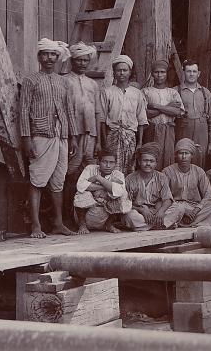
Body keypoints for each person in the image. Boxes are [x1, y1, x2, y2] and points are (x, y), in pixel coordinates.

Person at [20, 38, 78, 238]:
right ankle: (36, 225)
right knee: (37, 179)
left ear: (58, 57)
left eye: (53, 54)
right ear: (39, 57)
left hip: (61, 135)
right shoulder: (31, 80)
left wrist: (73, 137)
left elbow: (69, 110)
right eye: (45, 54)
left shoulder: (63, 82)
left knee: (58, 181)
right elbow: (23, 110)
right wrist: (26, 138)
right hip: (41, 135)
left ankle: (58, 223)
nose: (49, 58)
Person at [62, 42, 102, 225]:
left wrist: (99, 140)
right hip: (73, 135)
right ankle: (67, 216)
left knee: (91, 173)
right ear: (72, 60)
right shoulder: (65, 81)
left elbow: (97, 113)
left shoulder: (93, 84)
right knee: (70, 174)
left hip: (91, 135)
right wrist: (70, 137)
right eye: (79, 60)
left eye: (86, 60)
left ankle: (90, 218)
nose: (83, 63)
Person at [100, 55, 148, 174]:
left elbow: (141, 119)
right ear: (114, 72)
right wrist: (104, 140)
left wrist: (140, 142)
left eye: (125, 70)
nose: (121, 73)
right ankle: (111, 191)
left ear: (130, 72)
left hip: (130, 137)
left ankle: (126, 192)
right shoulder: (107, 92)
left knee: (129, 168)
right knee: (111, 168)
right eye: (118, 70)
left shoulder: (137, 94)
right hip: (112, 135)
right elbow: (102, 118)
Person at [124, 142, 186, 230]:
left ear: (156, 163)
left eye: (151, 161)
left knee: (179, 208)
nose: (148, 164)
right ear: (139, 162)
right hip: (140, 211)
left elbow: (168, 199)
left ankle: (147, 226)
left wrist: (160, 212)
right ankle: (162, 225)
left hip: (157, 210)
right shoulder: (130, 178)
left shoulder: (161, 177)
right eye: (145, 160)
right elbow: (125, 202)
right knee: (129, 215)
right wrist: (142, 210)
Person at [162, 138, 211, 227]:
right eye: (181, 153)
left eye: (187, 153)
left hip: (194, 208)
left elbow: (209, 195)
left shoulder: (199, 171)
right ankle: (187, 222)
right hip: (176, 206)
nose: (184, 157)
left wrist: (196, 210)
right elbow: (166, 196)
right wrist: (184, 211)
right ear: (176, 155)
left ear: (192, 155)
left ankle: (187, 223)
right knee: (177, 209)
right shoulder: (167, 171)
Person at [73, 150, 135, 234]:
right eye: (105, 162)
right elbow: (80, 186)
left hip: (104, 217)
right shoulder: (90, 168)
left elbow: (118, 191)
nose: (108, 166)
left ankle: (109, 225)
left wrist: (98, 178)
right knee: (82, 193)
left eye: (111, 162)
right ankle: (82, 225)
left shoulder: (118, 174)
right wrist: (106, 187)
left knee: (123, 194)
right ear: (98, 161)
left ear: (115, 163)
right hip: (88, 214)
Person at [175, 60, 211, 169]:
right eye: (188, 71)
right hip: (183, 130)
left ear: (198, 73)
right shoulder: (175, 91)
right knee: (182, 159)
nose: (191, 74)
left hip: (202, 133)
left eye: (194, 71)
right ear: (183, 72)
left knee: (200, 161)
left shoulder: (205, 92)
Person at [142, 59, 185, 169]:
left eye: (162, 72)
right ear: (152, 74)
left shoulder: (173, 92)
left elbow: (178, 111)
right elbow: (145, 114)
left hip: (168, 130)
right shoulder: (145, 91)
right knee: (151, 158)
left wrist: (157, 106)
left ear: (166, 74)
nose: (159, 75)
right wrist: (169, 107)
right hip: (152, 130)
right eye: (157, 72)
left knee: (168, 160)